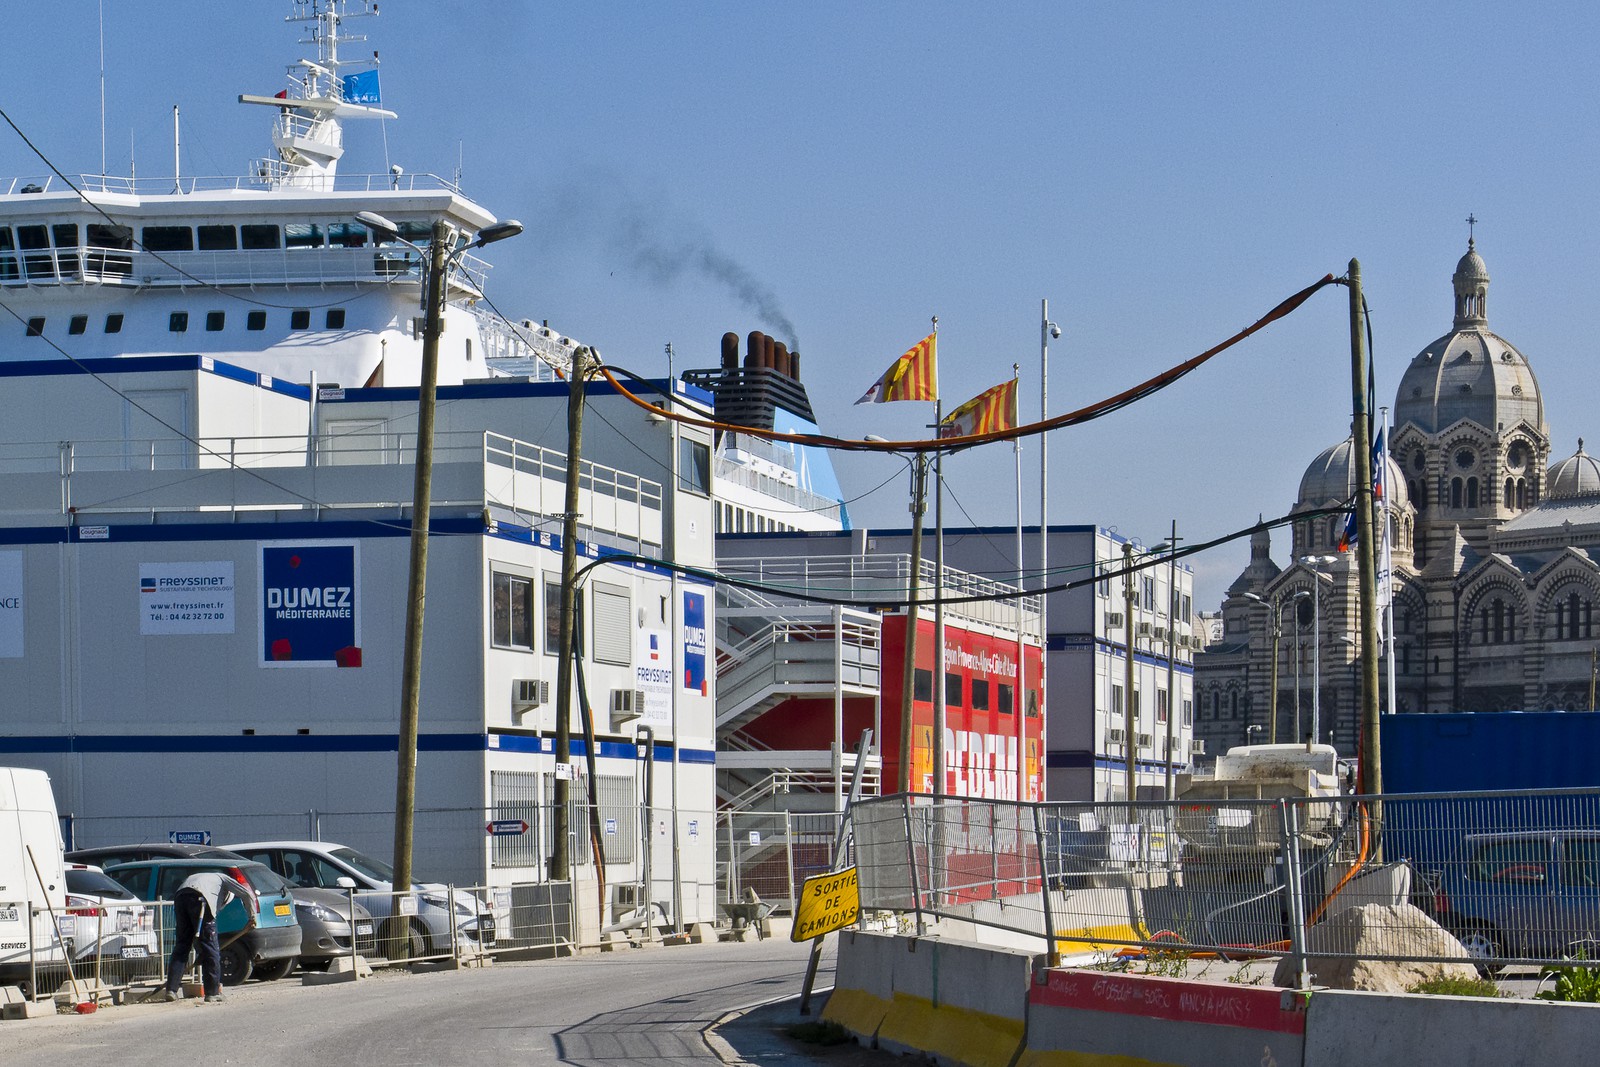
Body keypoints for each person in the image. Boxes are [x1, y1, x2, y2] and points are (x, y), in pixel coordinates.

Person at [162, 870, 256, 1003]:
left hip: (180, 897)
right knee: (212, 949)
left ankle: (171, 990)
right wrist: (252, 917)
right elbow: (247, 894)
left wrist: (201, 952)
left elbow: (196, 934)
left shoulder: (204, 879)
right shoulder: (223, 880)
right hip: (200, 899)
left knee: (182, 946)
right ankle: (212, 992)